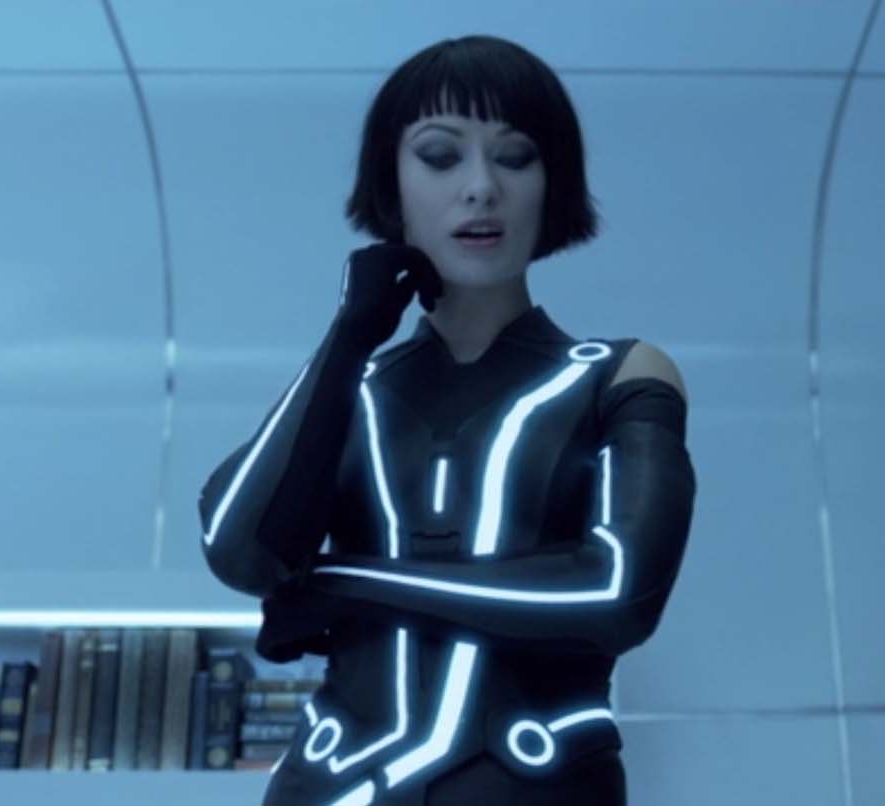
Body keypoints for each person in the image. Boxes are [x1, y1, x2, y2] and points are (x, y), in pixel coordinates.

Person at [197, 35, 696, 806]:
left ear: (553, 183)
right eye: (440, 157)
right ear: (390, 183)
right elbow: (241, 554)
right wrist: (349, 334)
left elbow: (616, 596)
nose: (481, 188)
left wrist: (347, 583)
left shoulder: (618, 373)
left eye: (515, 157)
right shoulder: (355, 386)